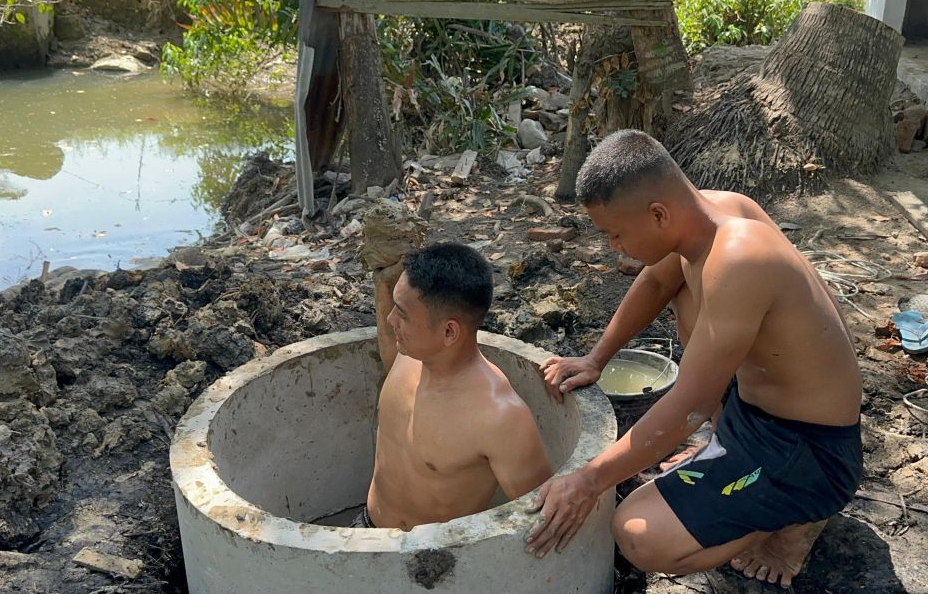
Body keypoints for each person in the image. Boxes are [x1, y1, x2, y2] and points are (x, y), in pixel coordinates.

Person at [524, 130, 862, 589]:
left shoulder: (741, 257)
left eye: (616, 234)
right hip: (753, 410)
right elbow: (656, 284)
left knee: (638, 535)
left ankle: (791, 519)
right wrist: (596, 357)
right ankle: (728, 452)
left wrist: (587, 480)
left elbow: (691, 405)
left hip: (808, 448)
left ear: (659, 214)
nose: (614, 247)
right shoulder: (714, 215)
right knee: (685, 291)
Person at [356, 242, 554, 530]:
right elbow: (391, 355)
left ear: (449, 331)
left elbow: (542, 515)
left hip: (435, 565)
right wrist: (382, 283)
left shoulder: (500, 418)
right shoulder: (408, 355)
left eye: (402, 313)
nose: (390, 319)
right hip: (366, 529)